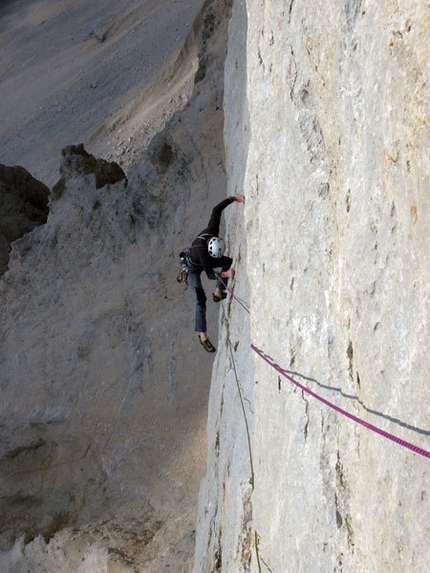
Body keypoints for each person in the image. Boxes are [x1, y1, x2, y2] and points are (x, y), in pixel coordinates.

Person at [185, 193, 245, 352]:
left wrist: (233, 199)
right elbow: (210, 274)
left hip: (204, 260)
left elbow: (216, 210)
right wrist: (226, 275)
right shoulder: (203, 254)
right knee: (200, 298)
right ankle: (202, 335)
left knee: (227, 262)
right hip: (191, 269)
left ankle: (219, 292)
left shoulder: (212, 230)